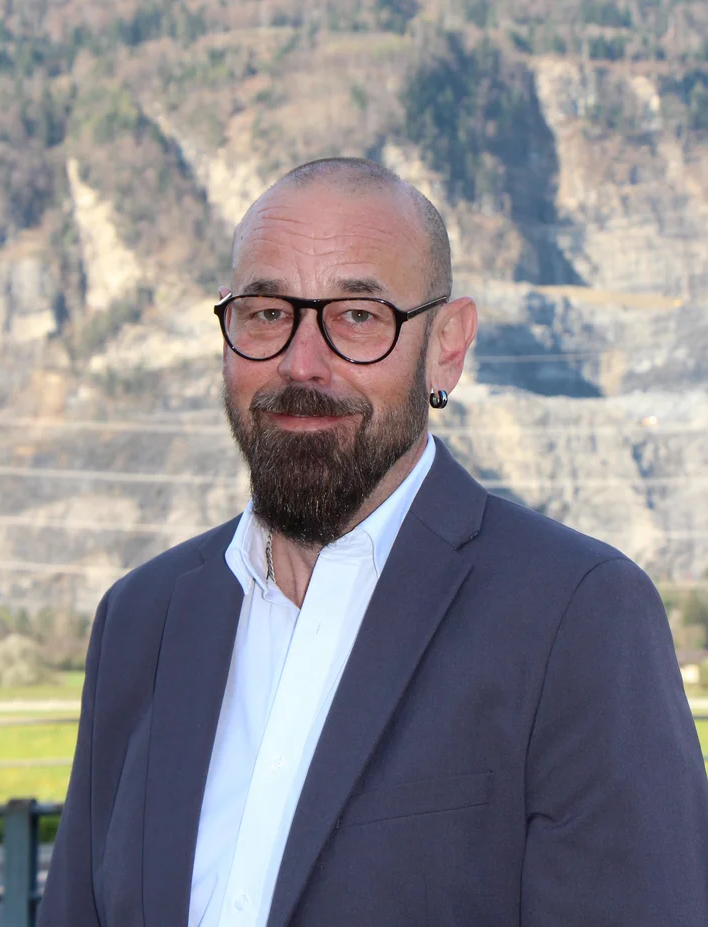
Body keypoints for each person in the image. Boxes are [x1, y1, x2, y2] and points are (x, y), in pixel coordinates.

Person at [38, 158, 708, 927]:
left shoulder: (576, 615)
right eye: (266, 313)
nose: (300, 361)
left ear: (446, 346)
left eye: (358, 316)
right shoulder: (141, 619)